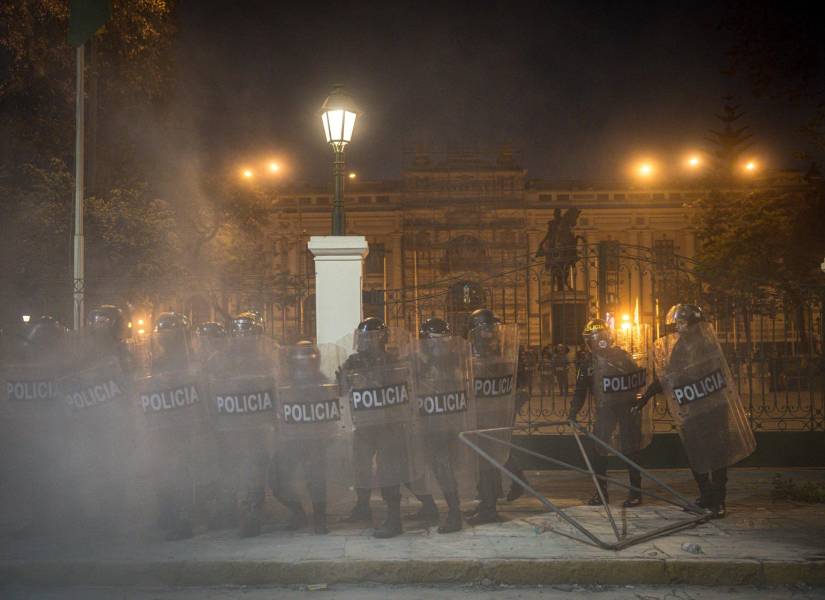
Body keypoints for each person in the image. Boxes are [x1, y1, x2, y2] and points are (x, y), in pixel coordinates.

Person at [634, 304, 756, 519]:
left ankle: (718, 501)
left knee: (718, 455)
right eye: (677, 323)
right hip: (692, 409)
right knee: (695, 454)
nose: (678, 328)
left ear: (693, 324)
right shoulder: (679, 346)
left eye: (682, 323)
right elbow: (668, 376)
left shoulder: (708, 344)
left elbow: (716, 373)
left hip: (713, 408)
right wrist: (645, 398)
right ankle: (706, 495)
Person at [339, 317, 416, 538]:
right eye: (362, 337)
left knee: (389, 471)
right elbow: (342, 391)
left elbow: (404, 386)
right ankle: (362, 507)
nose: (365, 342)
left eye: (370, 337)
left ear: (382, 338)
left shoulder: (393, 358)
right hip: (364, 424)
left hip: (389, 425)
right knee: (360, 466)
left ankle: (394, 518)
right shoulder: (353, 361)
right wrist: (343, 379)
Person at [568, 318, 649, 507]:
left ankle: (635, 492)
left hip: (626, 408)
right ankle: (601, 493)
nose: (598, 341)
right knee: (598, 450)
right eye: (595, 338)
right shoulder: (588, 364)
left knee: (631, 450)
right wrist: (572, 412)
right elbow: (580, 390)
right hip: (606, 410)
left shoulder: (623, 357)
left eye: (600, 337)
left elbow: (637, 381)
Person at [411, 317, 471, 533]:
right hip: (423, 421)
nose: (439, 344)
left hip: (444, 423)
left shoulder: (454, 361)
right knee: (410, 464)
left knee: (442, 467)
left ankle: (454, 513)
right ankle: (428, 505)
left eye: (443, 339)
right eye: (434, 339)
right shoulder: (417, 360)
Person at [464, 309, 518, 525]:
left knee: (486, 463)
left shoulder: (495, 358)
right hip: (481, 416)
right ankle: (487, 502)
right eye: (484, 330)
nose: (487, 335)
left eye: (489, 330)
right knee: (486, 464)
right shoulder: (477, 356)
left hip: (490, 417)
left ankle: (489, 509)